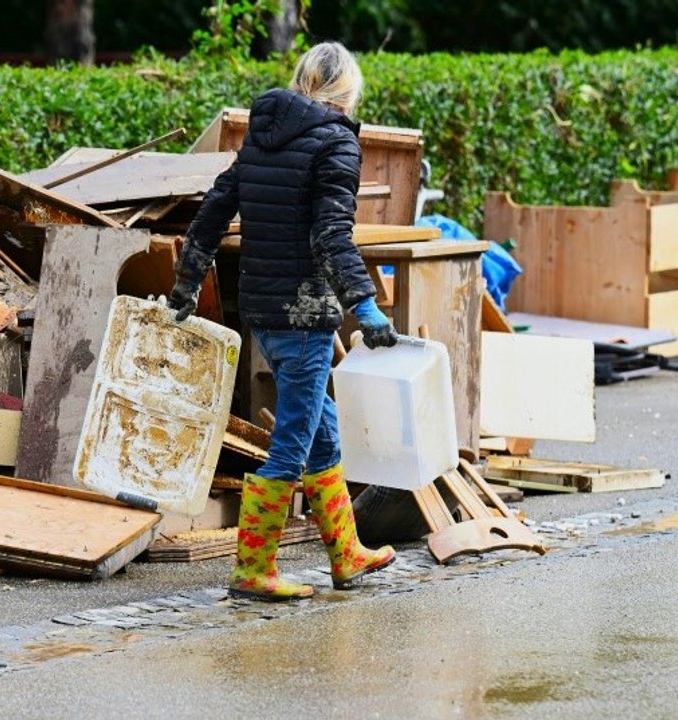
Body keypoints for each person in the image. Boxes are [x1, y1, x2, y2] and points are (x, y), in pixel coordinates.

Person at [168, 42, 399, 601]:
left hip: (263, 310)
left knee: (321, 427)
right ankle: (253, 569)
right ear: (348, 90)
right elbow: (331, 235)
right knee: (293, 440)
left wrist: (186, 282)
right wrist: (365, 305)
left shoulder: (263, 134)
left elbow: (213, 210)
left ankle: (346, 553)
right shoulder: (336, 141)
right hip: (304, 313)